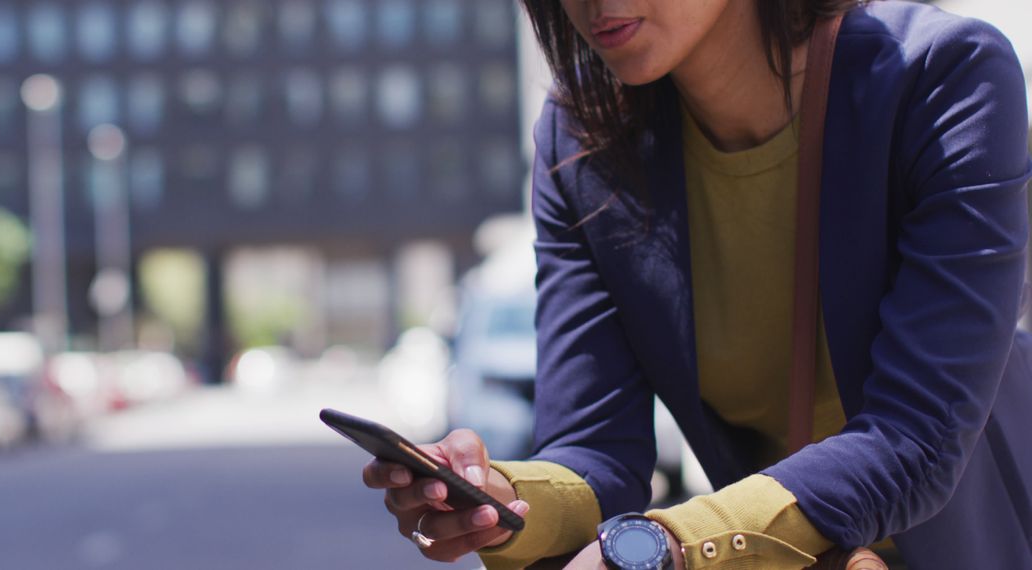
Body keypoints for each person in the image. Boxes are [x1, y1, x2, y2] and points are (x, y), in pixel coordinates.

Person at [362, 0, 1032, 568]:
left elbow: (916, 439)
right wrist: (496, 498)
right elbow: (597, 454)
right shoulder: (582, 139)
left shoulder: (942, 77)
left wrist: (670, 542)